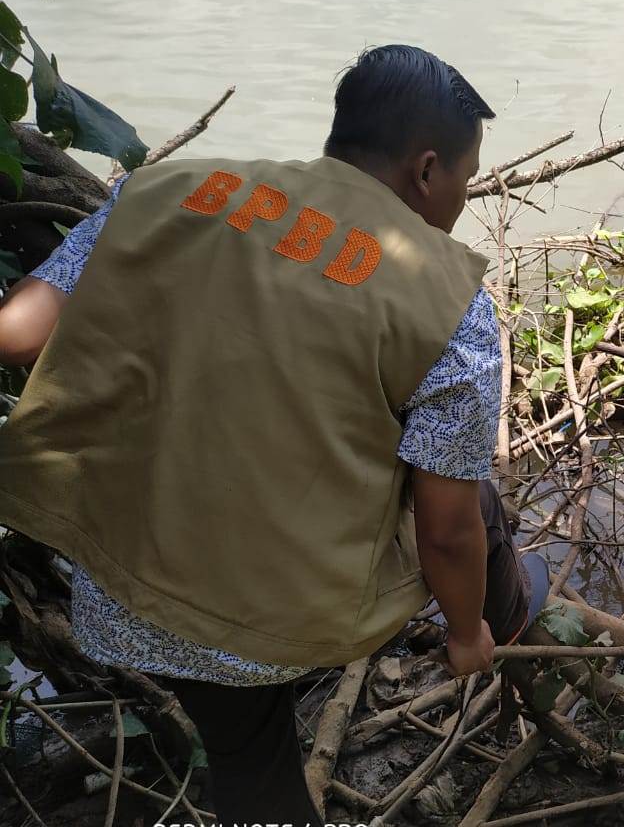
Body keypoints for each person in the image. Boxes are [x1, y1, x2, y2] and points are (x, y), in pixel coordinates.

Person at [0, 45, 539, 824]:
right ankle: (506, 628)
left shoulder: (165, 190)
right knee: (472, 501)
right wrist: (463, 638)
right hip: (282, 615)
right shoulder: (450, 307)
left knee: (248, 761)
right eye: (466, 175)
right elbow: (447, 532)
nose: (463, 195)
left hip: (124, 585)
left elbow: (17, 335)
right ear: (427, 170)